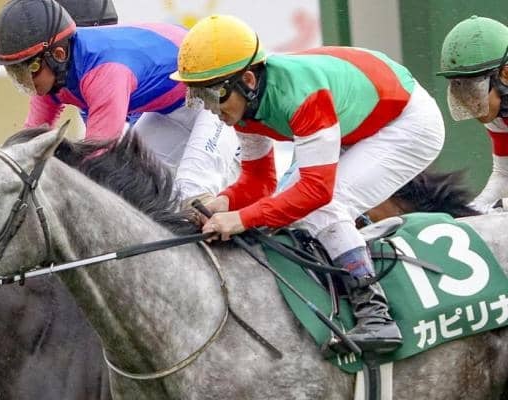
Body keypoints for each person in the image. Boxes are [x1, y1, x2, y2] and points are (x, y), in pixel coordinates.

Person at [171, 15, 445, 353]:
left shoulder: (300, 96)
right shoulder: (244, 106)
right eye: (199, 96)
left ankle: (376, 316)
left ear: (248, 80)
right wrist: (224, 202)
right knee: (288, 208)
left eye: (215, 94)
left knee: (323, 207)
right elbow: (259, 183)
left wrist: (240, 219)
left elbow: (317, 192)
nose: (212, 109)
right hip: (355, 120)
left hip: (407, 122)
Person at [0, 0, 239, 204]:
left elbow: (98, 156)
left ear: (58, 54)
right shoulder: (49, 74)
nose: (26, 82)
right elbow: (28, 143)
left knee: (191, 192)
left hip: (216, 96)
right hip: (171, 107)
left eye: (29, 70)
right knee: (141, 192)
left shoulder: (106, 71)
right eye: (16, 73)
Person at [437, 15, 508, 213]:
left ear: (505, 75)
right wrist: (473, 210)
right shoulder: (499, 115)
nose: (471, 103)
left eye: (475, 90)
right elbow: (504, 174)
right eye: (462, 91)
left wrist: (502, 205)